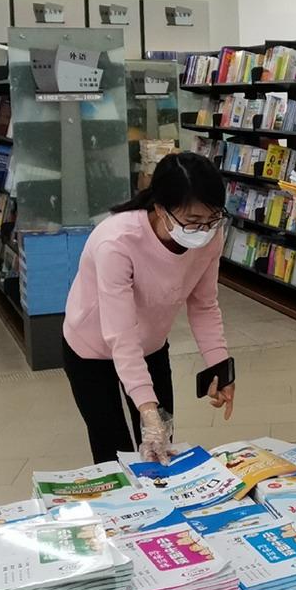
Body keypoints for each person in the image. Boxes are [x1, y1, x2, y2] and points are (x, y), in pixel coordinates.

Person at [62, 152, 236, 464]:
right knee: (113, 449)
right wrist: (146, 408)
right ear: (160, 208)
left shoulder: (210, 235)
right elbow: (121, 334)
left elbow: (204, 305)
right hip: (91, 348)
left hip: (150, 345)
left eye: (212, 219)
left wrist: (220, 368)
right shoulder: (117, 242)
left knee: (161, 446)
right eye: (192, 221)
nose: (204, 230)